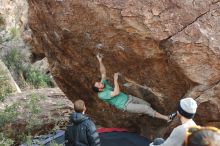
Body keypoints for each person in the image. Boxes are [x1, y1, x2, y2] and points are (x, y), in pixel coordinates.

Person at [92, 53, 172, 121]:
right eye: (99, 84)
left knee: (148, 105)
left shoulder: (103, 84)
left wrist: (100, 61)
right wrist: (115, 80)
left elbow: (103, 73)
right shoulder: (102, 95)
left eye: (98, 82)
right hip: (125, 105)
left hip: (129, 98)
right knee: (146, 109)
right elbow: (116, 92)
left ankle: (141, 112)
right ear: (99, 89)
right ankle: (167, 118)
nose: (100, 82)